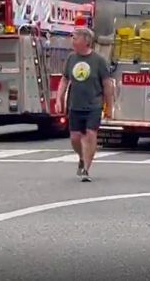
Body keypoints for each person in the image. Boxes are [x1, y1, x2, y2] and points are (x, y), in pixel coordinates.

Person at [55, 27, 114, 182]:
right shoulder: (71, 59)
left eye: (75, 38)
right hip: (75, 105)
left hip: (94, 104)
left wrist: (110, 106)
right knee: (75, 138)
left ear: (86, 41)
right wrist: (59, 99)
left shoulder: (98, 61)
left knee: (90, 134)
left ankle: (86, 168)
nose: (72, 40)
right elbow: (64, 79)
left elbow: (107, 84)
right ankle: (81, 156)